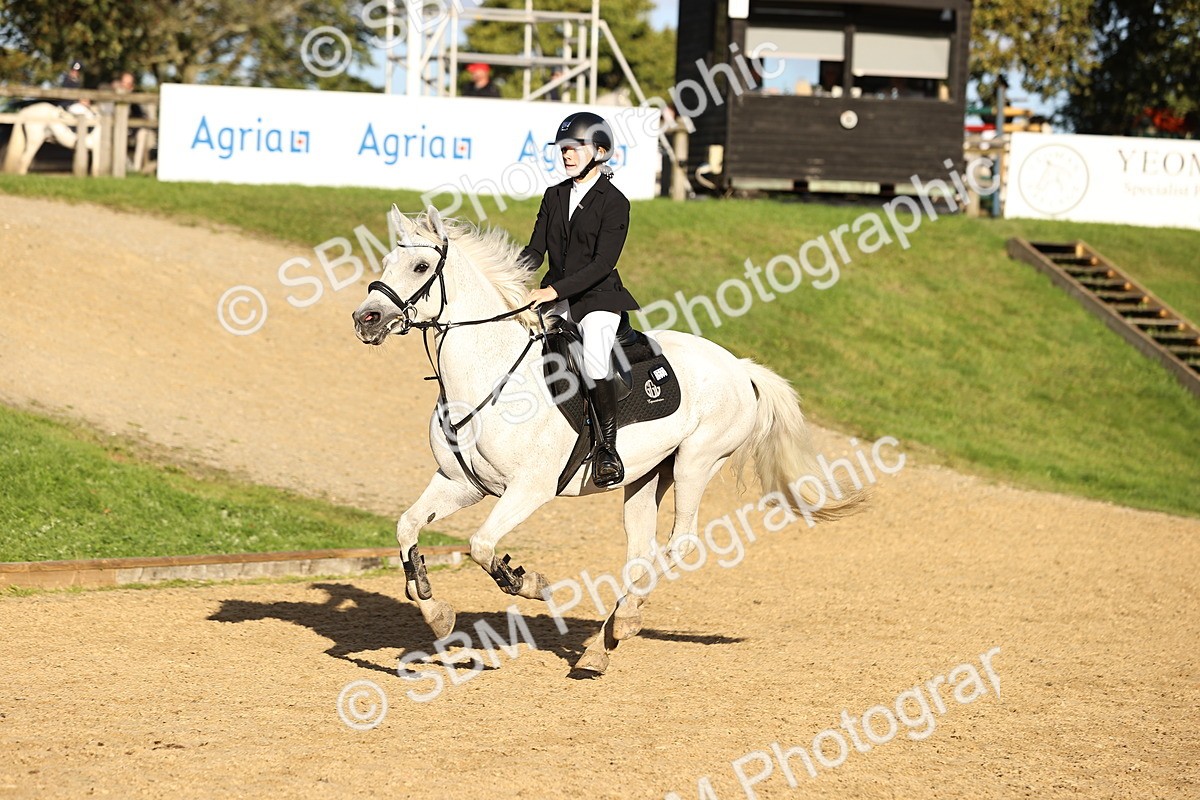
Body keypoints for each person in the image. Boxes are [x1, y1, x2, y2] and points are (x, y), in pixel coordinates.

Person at [520, 111, 640, 488]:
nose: (567, 154)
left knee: (593, 356)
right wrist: (507, 279)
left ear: (600, 151)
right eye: (563, 148)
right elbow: (535, 250)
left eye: (575, 148)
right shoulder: (554, 195)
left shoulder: (614, 202)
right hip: (553, 295)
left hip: (598, 298)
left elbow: (604, 262)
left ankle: (608, 448)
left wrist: (552, 292)